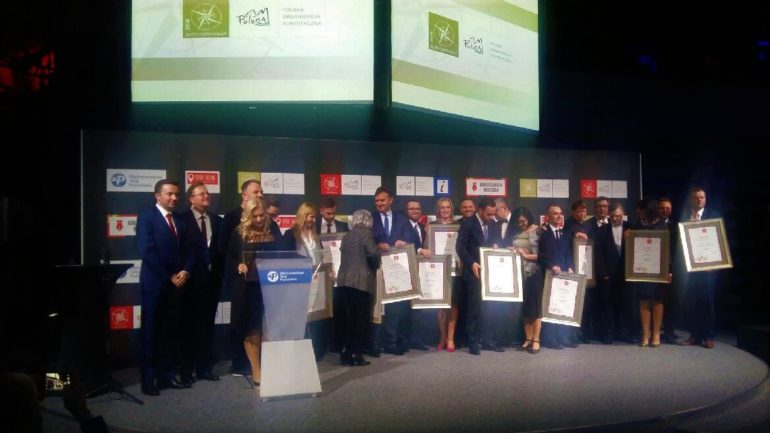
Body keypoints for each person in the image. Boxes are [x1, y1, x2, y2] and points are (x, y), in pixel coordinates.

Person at [136, 179, 194, 396]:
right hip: (155, 284)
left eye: (176, 194)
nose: (174, 198)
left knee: (169, 333)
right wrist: (169, 276)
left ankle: (166, 376)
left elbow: (189, 250)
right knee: (151, 332)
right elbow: (147, 252)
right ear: (157, 196)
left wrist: (185, 271)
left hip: (177, 286)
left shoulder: (179, 220)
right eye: (169, 194)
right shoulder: (147, 218)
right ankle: (148, 380)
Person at [226, 198, 282, 387]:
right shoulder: (239, 233)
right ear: (247, 216)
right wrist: (238, 265)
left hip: (271, 287)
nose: (259, 220)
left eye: (261, 216)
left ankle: (272, 368)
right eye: (255, 216)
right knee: (251, 331)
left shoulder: (273, 229)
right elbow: (230, 259)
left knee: (268, 329)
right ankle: (257, 372)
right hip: (247, 289)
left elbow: (283, 254)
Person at [178, 181, 223, 382]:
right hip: (189, 284)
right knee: (187, 327)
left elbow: (220, 252)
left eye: (207, 193)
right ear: (191, 199)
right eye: (201, 194)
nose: (206, 196)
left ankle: (204, 368)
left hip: (211, 284)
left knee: (206, 327)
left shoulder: (217, 220)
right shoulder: (181, 220)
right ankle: (186, 370)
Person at [219, 179, 263, 376]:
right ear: (245, 195)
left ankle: (258, 365)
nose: (260, 194)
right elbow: (225, 250)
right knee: (240, 323)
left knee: (257, 325)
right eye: (256, 191)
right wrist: (237, 265)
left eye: (261, 191)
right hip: (241, 283)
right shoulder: (233, 220)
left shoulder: (269, 227)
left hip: (264, 285)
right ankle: (239, 363)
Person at [280, 203, 328, 360]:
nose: (313, 220)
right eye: (310, 216)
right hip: (298, 282)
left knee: (314, 317)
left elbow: (321, 256)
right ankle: (298, 351)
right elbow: (285, 257)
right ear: (303, 216)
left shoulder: (316, 235)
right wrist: (304, 262)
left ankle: (315, 351)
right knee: (298, 318)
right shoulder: (290, 234)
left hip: (316, 281)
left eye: (314, 217)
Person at [455, 197, 502, 355]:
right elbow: (460, 247)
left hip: (491, 272)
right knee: (474, 308)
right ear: (480, 210)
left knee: (491, 307)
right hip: (473, 272)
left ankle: (489, 341)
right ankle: (473, 342)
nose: (491, 217)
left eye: (493, 214)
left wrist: (496, 246)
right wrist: (471, 263)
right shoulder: (468, 223)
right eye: (488, 214)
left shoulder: (494, 224)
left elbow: (496, 242)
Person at [336, 210, 381, 366]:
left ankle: (345, 353)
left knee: (349, 320)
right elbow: (373, 254)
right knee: (360, 321)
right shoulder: (367, 233)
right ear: (368, 221)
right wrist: (376, 265)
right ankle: (356, 354)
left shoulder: (347, 235)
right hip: (361, 283)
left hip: (344, 281)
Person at [680, 187, 722, 349]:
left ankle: (709, 336)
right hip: (690, 268)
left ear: (705, 199)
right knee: (692, 303)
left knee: (708, 303)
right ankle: (694, 335)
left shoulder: (714, 215)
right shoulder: (685, 217)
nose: (699, 200)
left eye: (702, 197)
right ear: (692, 200)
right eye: (696, 198)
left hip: (708, 268)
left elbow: (719, 240)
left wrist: (715, 262)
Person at [627, 199, 671, 347]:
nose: (637, 211)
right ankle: (646, 334)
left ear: (647, 209)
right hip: (642, 270)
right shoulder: (637, 225)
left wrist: (669, 270)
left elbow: (667, 249)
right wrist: (628, 236)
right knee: (644, 300)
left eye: (640, 209)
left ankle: (656, 333)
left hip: (658, 270)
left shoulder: (662, 224)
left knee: (657, 300)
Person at [537, 204, 575, 350]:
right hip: (549, 275)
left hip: (564, 276)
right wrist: (551, 265)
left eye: (560, 213)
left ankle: (563, 337)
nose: (559, 216)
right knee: (550, 307)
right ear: (547, 217)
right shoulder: (542, 233)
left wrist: (570, 266)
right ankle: (549, 339)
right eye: (555, 214)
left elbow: (568, 253)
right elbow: (540, 255)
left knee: (563, 306)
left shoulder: (565, 233)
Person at [315, 197, 349, 355]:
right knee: (321, 311)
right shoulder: (314, 226)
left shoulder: (343, 226)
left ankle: (337, 344)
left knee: (338, 310)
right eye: (328, 213)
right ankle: (321, 345)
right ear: (321, 210)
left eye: (333, 213)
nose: (331, 216)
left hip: (339, 272)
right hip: (320, 272)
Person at [509, 207, 543, 354]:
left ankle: (536, 340)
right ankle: (528, 338)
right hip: (518, 274)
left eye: (523, 221)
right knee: (525, 308)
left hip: (533, 273)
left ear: (529, 218)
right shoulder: (516, 232)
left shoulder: (537, 231)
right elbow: (516, 249)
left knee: (535, 308)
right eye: (518, 222)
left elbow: (543, 255)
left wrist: (525, 255)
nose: (521, 224)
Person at [594, 203, 629, 344]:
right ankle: (608, 334)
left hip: (626, 274)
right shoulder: (602, 230)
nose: (614, 219)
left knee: (624, 304)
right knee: (607, 305)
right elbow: (598, 253)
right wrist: (603, 273)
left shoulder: (631, 227)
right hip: (608, 274)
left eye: (618, 216)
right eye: (612, 216)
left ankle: (623, 333)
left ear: (623, 214)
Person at [405, 200, 433, 351]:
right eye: (411, 209)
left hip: (422, 270)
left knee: (418, 307)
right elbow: (405, 244)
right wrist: (420, 250)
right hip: (406, 271)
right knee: (406, 307)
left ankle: (416, 339)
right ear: (406, 211)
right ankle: (406, 339)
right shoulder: (402, 225)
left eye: (417, 208)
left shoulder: (422, 227)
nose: (415, 211)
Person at [433, 198, 460, 352]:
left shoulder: (458, 226)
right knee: (441, 306)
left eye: (447, 207)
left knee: (453, 305)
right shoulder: (431, 226)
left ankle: (451, 338)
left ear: (451, 209)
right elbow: (427, 246)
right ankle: (442, 337)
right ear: (438, 209)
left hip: (454, 270)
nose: (445, 210)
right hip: (438, 270)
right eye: (442, 207)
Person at [658, 197, 681, 344]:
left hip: (671, 271)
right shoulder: (652, 225)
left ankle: (669, 331)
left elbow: (676, 250)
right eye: (662, 208)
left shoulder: (676, 226)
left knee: (671, 302)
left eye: (668, 208)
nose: (665, 210)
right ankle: (655, 331)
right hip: (655, 270)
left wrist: (671, 270)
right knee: (656, 301)